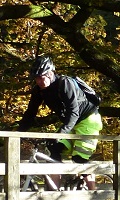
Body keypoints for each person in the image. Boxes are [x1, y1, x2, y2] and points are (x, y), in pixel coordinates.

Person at [17, 56, 102, 191]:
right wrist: (18, 133)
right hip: (71, 123)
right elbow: (30, 113)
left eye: (42, 77)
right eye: (37, 78)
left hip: (88, 119)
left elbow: (73, 112)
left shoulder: (64, 83)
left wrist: (60, 133)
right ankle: (55, 197)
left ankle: (94, 197)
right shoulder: (38, 91)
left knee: (79, 157)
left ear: (51, 73)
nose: (40, 81)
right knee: (54, 151)